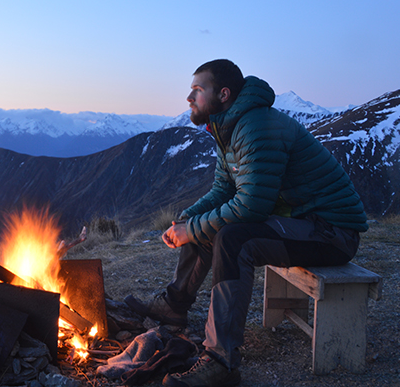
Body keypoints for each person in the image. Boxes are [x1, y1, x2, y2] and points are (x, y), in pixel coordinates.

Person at [125, 59, 368, 387]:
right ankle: (173, 307)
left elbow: (251, 205)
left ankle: (221, 361)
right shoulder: (228, 127)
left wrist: (192, 229)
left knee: (233, 238)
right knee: (205, 223)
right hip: (299, 222)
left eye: (197, 90)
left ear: (223, 94)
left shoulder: (256, 126)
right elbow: (223, 191)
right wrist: (187, 220)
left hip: (331, 232)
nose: (189, 97)